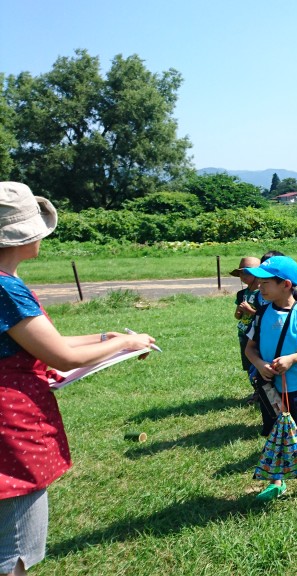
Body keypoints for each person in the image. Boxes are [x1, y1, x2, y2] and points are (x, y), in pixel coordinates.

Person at [0, 182, 155, 575]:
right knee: (14, 550)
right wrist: (127, 341)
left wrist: (112, 339)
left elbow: (41, 342)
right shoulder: (6, 289)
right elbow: (61, 355)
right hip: (11, 428)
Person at [244, 255, 297, 502]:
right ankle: (276, 482)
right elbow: (250, 348)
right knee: (275, 435)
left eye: (266, 282)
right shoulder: (260, 314)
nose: (260, 287)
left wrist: (293, 358)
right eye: (259, 282)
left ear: (286, 285)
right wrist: (260, 364)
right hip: (271, 389)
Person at [231, 256, 261, 401]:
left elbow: (265, 316)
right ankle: (256, 389)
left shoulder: (263, 294)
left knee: (257, 362)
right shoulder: (242, 294)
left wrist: (250, 311)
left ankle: (261, 390)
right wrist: (240, 311)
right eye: (241, 273)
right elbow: (237, 316)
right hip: (243, 332)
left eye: (247, 273)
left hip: (256, 334)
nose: (243, 276)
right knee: (248, 364)